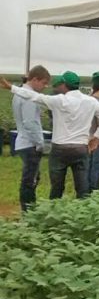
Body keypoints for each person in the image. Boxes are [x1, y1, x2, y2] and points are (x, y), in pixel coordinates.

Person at [2, 71, 99, 200]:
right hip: (81, 149)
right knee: (82, 188)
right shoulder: (90, 101)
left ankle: (55, 211)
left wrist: (11, 87)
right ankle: (84, 213)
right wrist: (96, 137)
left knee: (57, 187)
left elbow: (34, 97)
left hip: (60, 149)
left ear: (64, 85)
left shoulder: (58, 100)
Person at [10, 65, 51, 211]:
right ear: (35, 79)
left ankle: (28, 208)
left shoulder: (20, 93)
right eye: (44, 83)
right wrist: (40, 143)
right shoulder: (28, 97)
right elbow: (30, 122)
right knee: (30, 180)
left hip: (23, 141)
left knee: (32, 177)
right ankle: (28, 211)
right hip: (30, 143)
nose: (45, 86)